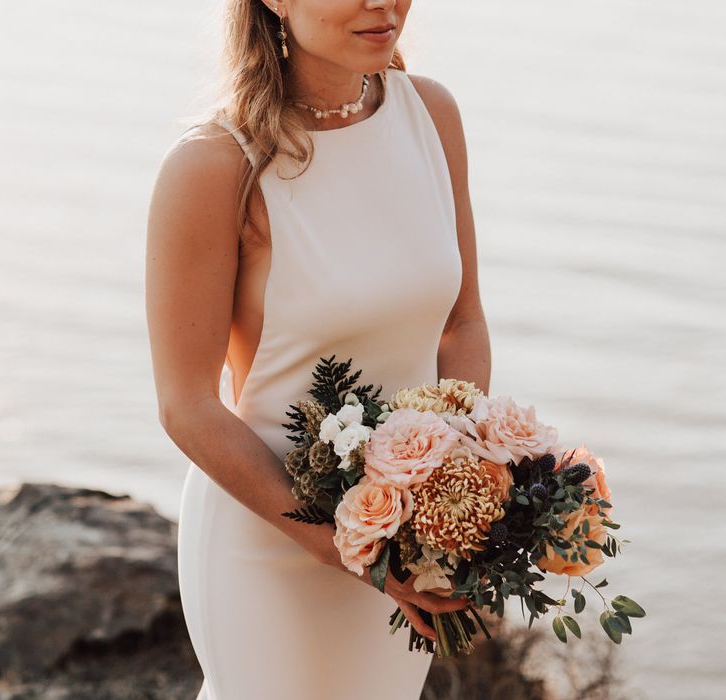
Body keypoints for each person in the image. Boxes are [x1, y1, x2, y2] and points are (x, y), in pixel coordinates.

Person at [145, 0, 492, 697]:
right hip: (268, 546)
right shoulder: (214, 166)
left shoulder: (431, 117)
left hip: (404, 550)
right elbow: (187, 406)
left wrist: (458, 487)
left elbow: (462, 323)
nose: (381, 3)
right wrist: (353, 548)